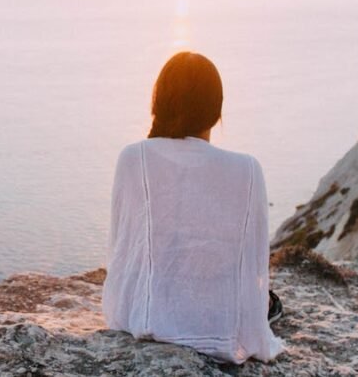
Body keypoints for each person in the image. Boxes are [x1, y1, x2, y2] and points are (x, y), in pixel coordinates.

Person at [101, 51, 285, 364]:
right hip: (220, 321)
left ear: (158, 102)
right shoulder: (248, 169)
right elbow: (253, 261)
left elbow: (122, 251)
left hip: (148, 317)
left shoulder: (133, 158)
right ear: (216, 112)